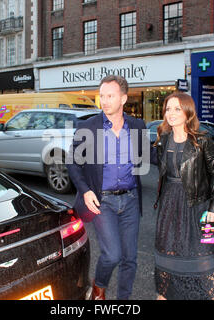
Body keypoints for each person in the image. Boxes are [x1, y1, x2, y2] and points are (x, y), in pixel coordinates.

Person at [66, 75, 148, 300]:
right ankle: (99, 288)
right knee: (112, 255)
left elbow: (149, 157)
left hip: (130, 200)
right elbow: (72, 162)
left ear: (123, 98)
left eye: (110, 96)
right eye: (102, 96)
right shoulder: (88, 127)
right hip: (103, 202)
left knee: (130, 259)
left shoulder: (137, 126)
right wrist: (86, 190)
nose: (104, 100)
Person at [152, 91, 214, 300]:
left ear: (188, 112)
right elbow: (163, 175)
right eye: (168, 109)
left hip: (197, 206)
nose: (171, 113)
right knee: (167, 257)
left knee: (204, 260)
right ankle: (165, 295)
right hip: (168, 206)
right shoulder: (162, 140)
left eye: (177, 108)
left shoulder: (202, 140)